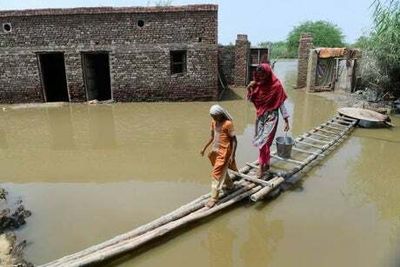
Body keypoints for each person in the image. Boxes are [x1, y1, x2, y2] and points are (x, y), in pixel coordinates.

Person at [247, 64, 290, 178]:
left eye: (263, 76)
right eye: (259, 76)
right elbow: (251, 99)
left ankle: (261, 168)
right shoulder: (258, 84)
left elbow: (281, 104)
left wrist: (286, 120)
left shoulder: (276, 86)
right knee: (264, 142)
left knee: (264, 142)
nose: (261, 78)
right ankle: (267, 163)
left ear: (268, 74)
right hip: (261, 117)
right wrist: (250, 88)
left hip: (272, 117)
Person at [200, 104, 238, 208]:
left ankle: (214, 198)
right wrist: (204, 148)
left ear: (220, 115)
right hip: (215, 151)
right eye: (212, 116)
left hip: (225, 152)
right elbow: (212, 137)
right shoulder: (213, 122)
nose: (213, 118)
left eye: (215, 116)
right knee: (221, 170)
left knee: (215, 174)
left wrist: (232, 155)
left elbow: (234, 140)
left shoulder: (228, 124)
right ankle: (230, 185)